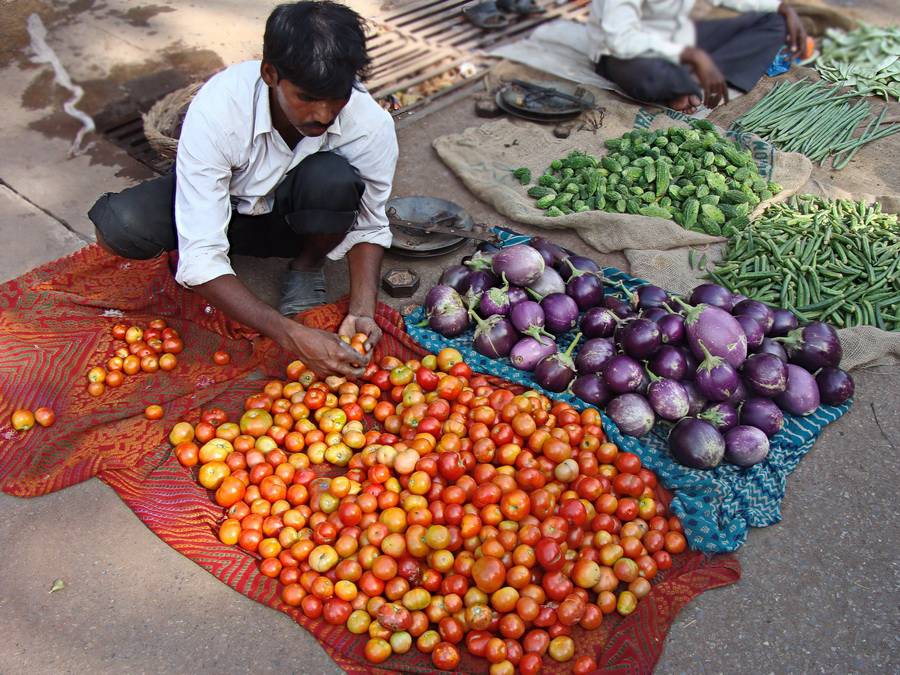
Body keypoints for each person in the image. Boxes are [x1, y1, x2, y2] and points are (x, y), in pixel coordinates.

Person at [88, 1, 398, 378]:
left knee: (333, 179)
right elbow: (201, 255)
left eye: (337, 98)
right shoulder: (219, 111)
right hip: (231, 208)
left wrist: (362, 310)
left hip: (295, 219)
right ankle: (216, 259)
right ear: (270, 73)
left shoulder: (368, 124)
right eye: (306, 98)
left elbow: (369, 223)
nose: (323, 113)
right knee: (122, 225)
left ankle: (307, 265)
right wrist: (290, 334)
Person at [587, 0, 807, 113]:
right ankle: (679, 81)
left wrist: (782, 7)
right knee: (647, 74)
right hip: (622, 52)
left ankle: (691, 81)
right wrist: (690, 54)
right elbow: (620, 39)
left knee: (774, 21)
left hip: (680, 38)